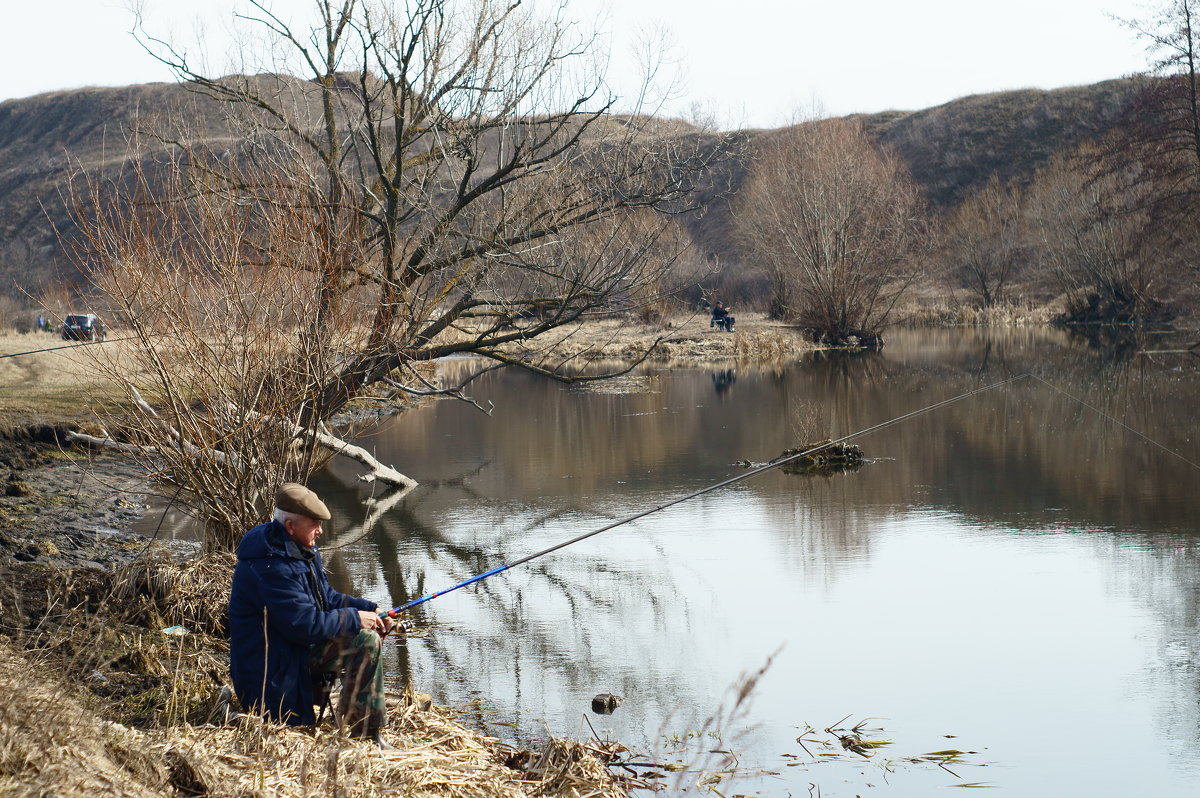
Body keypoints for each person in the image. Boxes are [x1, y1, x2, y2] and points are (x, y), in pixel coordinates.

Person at [228, 483, 394, 744]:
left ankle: (365, 729)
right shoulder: (270, 566)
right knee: (365, 641)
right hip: (269, 673)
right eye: (314, 523)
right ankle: (367, 734)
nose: (320, 529)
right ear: (291, 526)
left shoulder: (299, 549)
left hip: (291, 651)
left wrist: (368, 608)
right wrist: (355, 619)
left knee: (364, 632)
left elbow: (326, 599)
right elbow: (304, 625)